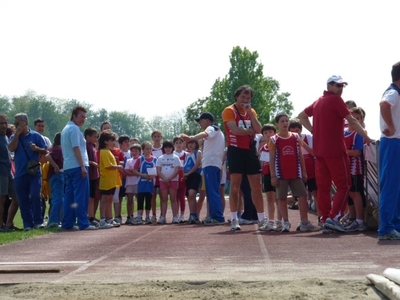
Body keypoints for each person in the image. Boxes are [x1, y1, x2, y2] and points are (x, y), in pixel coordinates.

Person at [298, 75, 372, 232]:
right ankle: (333, 217)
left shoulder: (318, 101)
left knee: (323, 188)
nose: (340, 88)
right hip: (336, 151)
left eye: (342, 86)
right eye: (337, 85)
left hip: (320, 152)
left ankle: (325, 219)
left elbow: (301, 116)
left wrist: (313, 130)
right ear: (329, 86)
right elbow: (352, 121)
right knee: (344, 185)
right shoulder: (336, 101)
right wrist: (367, 137)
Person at [221, 85, 268, 231]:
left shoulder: (251, 111)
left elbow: (259, 129)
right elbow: (235, 130)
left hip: (250, 150)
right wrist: (250, 131)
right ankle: (234, 218)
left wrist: (251, 114)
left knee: (256, 185)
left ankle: (261, 219)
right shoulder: (229, 111)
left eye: (248, 98)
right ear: (237, 97)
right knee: (235, 185)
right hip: (235, 150)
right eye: (243, 97)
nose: (245, 100)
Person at [269, 112, 319, 232]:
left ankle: (304, 222)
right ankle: (285, 222)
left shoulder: (296, 137)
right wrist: (273, 176)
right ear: (277, 124)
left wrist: (304, 172)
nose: (285, 123)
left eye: (287, 121)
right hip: (281, 173)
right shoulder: (274, 140)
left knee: (302, 196)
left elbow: (300, 155)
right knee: (281, 198)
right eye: (282, 121)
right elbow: (271, 159)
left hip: (296, 172)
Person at [182, 112, 225, 226]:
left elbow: (206, 133)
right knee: (212, 191)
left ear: (207, 120)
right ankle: (214, 215)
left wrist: (191, 138)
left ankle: (217, 216)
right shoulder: (217, 131)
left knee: (212, 191)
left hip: (211, 163)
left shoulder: (212, 128)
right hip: (213, 163)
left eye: (201, 121)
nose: (200, 123)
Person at [8, 113, 47, 230]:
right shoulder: (14, 137)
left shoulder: (36, 136)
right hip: (20, 173)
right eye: (15, 123)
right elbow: (11, 148)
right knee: (23, 199)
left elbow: (45, 151)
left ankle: (38, 221)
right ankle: (28, 224)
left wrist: (36, 149)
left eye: (17, 123)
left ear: (25, 123)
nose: (15, 125)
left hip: (34, 172)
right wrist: (17, 135)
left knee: (35, 195)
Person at [61, 106, 97, 231]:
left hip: (68, 166)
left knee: (69, 196)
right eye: (81, 116)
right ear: (74, 116)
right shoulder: (74, 129)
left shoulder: (65, 129)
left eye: (85, 117)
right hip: (77, 165)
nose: (83, 119)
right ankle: (83, 222)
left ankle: (68, 222)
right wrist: (82, 166)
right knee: (80, 195)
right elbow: (76, 148)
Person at [378, 62, 400, 240]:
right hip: (392, 142)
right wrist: (391, 126)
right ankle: (386, 228)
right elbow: (384, 105)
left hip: (395, 142)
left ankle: (394, 225)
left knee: (396, 186)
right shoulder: (393, 92)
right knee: (390, 185)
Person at [342, 107, 367, 232]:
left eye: (357, 119)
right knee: (349, 194)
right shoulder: (343, 132)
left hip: (355, 167)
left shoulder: (359, 134)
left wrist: (342, 152)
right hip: (344, 167)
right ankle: (352, 218)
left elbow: (356, 152)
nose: (354, 121)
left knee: (356, 193)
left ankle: (360, 220)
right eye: (353, 118)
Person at [98, 130, 123, 229]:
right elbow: (108, 166)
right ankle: (103, 219)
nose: (114, 143)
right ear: (105, 142)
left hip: (112, 180)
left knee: (109, 199)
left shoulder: (108, 151)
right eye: (111, 140)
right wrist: (118, 167)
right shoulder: (104, 152)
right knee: (104, 199)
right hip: (106, 180)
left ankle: (109, 218)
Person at [259, 124, 280, 230]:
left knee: (279, 199)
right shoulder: (263, 148)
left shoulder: (278, 145)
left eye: (270, 132)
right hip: (266, 175)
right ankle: (271, 222)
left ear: (275, 133)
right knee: (269, 199)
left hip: (276, 174)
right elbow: (262, 162)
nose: (268, 134)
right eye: (265, 133)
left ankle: (280, 221)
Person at [0, 114, 19, 232]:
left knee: (17, 197)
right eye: (1, 123)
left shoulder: (6, 137)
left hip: (8, 171)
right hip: (1, 172)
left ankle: (8, 224)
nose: (3, 125)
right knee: (1, 198)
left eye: (5, 123)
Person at [156, 140, 181, 224]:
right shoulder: (160, 158)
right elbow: (158, 170)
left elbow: (177, 169)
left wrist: (169, 178)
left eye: (169, 147)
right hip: (162, 181)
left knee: (173, 199)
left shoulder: (176, 157)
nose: (168, 149)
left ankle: (175, 217)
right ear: (164, 148)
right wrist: (165, 179)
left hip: (173, 180)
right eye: (166, 147)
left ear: (172, 148)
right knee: (164, 199)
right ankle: (163, 217)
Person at [133, 141, 157, 224]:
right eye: (147, 149)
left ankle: (147, 216)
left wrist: (153, 176)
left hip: (150, 184)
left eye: (150, 149)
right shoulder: (140, 159)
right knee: (140, 200)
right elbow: (134, 170)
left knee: (148, 200)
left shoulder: (155, 159)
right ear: (143, 150)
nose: (149, 150)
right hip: (141, 183)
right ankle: (139, 216)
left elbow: (157, 171)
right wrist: (142, 175)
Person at [45, 132, 64, 228]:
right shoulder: (58, 149)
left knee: (60, 198)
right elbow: (47, 156)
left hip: (60, 175)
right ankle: (53, 221)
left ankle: (58, 220)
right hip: (57, 175)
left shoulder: (60, 149)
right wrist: (55, 166)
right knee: (58, 199)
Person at [183, 139, 202, 224]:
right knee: (189, 196)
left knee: (192, 194)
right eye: (189, 143)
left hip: (195, 175)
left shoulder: (198, 152)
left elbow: (197, 164)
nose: (190, 145)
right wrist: (184, 174)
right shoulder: (187, 154)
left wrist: (188, 173)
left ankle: (195, 215)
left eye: (192, 143)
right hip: (188, 176)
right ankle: (192, 215)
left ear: (196, 143)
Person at [84, 127, 100, 227]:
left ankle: (91, 216)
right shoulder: (85, 146)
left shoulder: (92, 146)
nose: (96, 138)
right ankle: (88, 217)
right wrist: (92, 163)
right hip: (89, 175)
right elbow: (83, 159)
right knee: (89, 197)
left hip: (94, 175)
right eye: (94, 137)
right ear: (87, 136)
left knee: (93, 197)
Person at [124, 143, 141, 224]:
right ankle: (129, 216)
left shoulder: (141, 160)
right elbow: (126, 171)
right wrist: (135, 172)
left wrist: (134, 172)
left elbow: (140, 171)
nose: (134, 152)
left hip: (138, 182)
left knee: (139, 200)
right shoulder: (128, 160)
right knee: (130, 200)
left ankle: (138, 216)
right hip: (129, 183)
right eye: (132, 151)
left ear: (139, 152)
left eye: (136, 151)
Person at [150, 130, 163, 224]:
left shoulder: (164, 149)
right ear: (152, 138)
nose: (157, 138)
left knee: (163, 197)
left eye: (158, 136)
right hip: (153, 176)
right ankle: (153, 215)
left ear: (161, 137)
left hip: (162, 176)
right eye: (155, 136)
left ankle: (162, 215)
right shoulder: (150, 149)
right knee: (153, 196)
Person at [173, 136, 187, 223]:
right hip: (174, 177)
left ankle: (182, 215)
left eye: (180, 143)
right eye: (176, 143)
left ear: (183, 144)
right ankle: (176, 214)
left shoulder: (186, 154)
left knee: (182, 197)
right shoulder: (172, 155)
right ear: (174, 144)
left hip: (183, 177)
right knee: (175, 197)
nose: (178, 145)